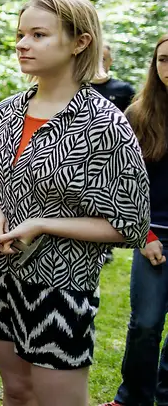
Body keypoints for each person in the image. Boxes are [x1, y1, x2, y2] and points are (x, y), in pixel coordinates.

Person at [0, 0, 150, 406]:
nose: (22, 44)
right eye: (20, 34)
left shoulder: (105, 125)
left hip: (59, 287)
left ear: (80, 42)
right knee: (16, 392)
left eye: (38, 34)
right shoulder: (9, 110)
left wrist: (42, 224)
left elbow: (131, 224)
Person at [101, 34, 168, 406]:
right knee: (145, 323)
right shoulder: (139, 114)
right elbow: (122, 185)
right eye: (162, 60)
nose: (167, 68)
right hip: (154, 236)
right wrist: (144, 233)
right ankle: (132, 398)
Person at [92, 44, 136, 112]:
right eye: (94, 59)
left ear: (110, 61)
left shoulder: (124, 89)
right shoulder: (77, 88)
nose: (98, 63)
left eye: (102, 59)